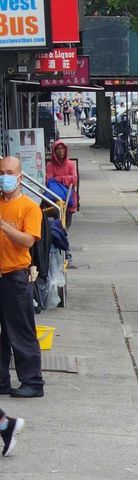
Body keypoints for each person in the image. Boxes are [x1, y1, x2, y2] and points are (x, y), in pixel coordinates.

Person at [0, 157, 44, 399]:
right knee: (3, 334)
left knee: (21, 330)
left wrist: (5, 227)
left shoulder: (29, 207)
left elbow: (28, 241)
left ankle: (32, 382)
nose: (4, 177)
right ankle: (2, 381)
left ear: (19, 177)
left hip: (16, 277)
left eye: (9, 172)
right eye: (1, 172)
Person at [46, 140, 78, 227]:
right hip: (55, 200)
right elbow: (49, 181)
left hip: (69, 199)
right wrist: (67, 179)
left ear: (65, 150)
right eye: (58, 149)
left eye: (62, 148)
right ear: (54, 151)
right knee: (58, 224)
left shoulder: (71, 164)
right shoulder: (50, 165)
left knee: (66, 225)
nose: (60, 151)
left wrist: (58, 179)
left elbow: (74, 180)